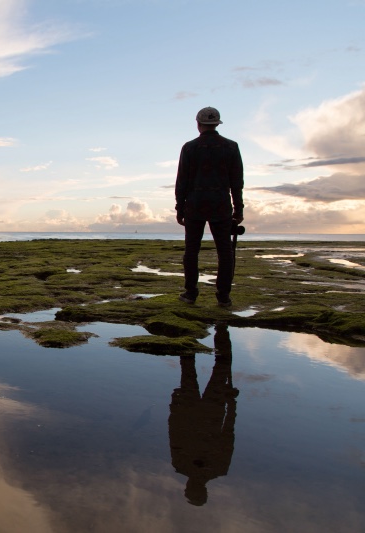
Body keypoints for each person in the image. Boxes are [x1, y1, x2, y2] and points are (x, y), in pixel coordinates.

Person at [175, 107, 244, 307]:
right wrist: (238, 209)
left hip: (195, 204)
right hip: (221, 204)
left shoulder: (189, 148)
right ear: (217, 124)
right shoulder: (231, 147)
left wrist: (180, 208)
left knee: (192, 251)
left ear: (198, 124)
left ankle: (190, 293)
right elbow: (237, 182)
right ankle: (223, 296)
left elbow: (182, 181)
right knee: (225, 252)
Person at [168, 324, 238, 506]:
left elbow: (174, 432)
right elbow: (228, 434)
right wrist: (232, 405)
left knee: (192, 366)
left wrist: (173, 407)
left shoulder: (182, 465)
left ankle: (197, 329)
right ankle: (218, 328)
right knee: (216, 366)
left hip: (197, 411)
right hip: (210, 412)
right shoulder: (217, 468)